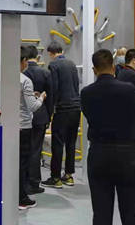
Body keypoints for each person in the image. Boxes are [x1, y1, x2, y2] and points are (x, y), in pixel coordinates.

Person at [82, 48, 135, 225]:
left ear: (94, 70)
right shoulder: (128, 90)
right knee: (131, 215)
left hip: (99, 154)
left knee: (101, 214)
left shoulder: (86, 93)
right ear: (113, 67)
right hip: (128, 156)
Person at [43, 41, 80, 189]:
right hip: (76, 109)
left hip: (62, 109)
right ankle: (69, 175)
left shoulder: (54, 65)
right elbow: (76, 85)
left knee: (58, 144)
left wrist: (50, 111)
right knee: (71, 143)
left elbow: (54, 89)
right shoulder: (72, 64)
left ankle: (55, 177)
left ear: (51, 53)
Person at [22, 44, 54, 194]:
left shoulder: (22, 73)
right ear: (37, 56)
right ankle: (34, 183)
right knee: (36, 150)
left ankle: (23, 182)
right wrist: (49, 115)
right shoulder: (45, 73)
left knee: (24, 151)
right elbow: (51, 96)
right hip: (41, 115)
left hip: (23, 116)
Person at [20, 45, 47, 210]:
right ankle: (22, 198)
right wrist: (42, 98)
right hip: (24, 126)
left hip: (9, 126)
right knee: (23, 163)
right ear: (24, 61)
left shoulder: (5, 76)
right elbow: (33, 107)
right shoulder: (25, 80)